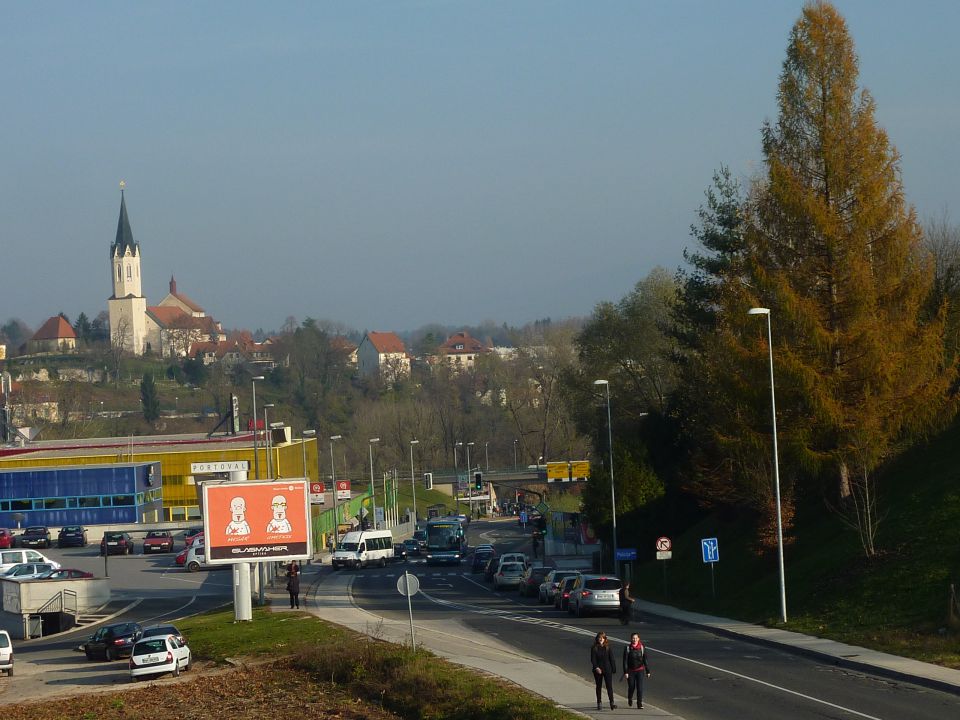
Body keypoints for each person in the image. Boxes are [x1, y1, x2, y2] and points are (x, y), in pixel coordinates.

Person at [622, 632, 651, 708]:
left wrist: (648, 671)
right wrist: (625, 672)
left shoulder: (642, 647)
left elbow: (645, 659)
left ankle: (639, 703)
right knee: (631, 687)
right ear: (631, 639)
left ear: (638, 639)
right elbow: (625, 661)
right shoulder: (628, 648)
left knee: (640, 687)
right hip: (630, 671)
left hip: (640, 670)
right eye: (633, 638)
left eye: (636, 638)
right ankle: (630, 698)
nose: (634, 639)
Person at [590, 631, 617, 711]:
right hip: (598, 670)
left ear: (605, 639)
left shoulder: (608, 647)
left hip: (607, 669)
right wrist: (596, 667)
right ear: (597, 639)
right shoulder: (594, 647)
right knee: (599, 686)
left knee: (609, 686)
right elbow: (593, 659)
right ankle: (599, 703)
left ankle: (612, 703)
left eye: (602, 638)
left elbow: (612, 658)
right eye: (599, 638)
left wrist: (613, 668)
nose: (601, 639)